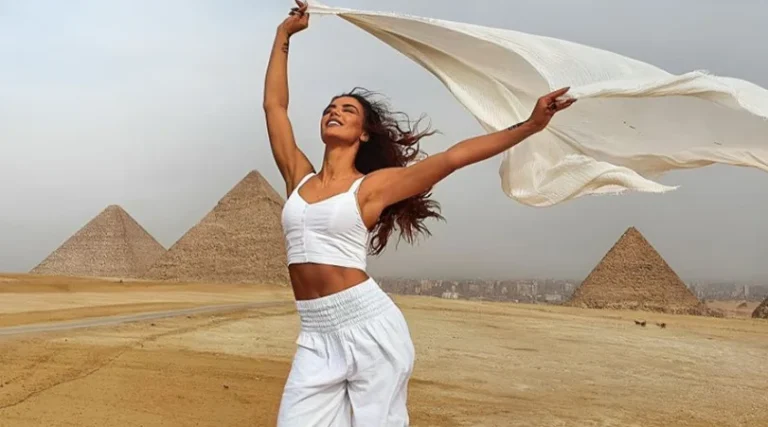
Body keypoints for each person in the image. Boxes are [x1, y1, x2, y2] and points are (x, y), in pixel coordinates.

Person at [263, 1, 576, 425]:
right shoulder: (296, 178)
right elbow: (275, 108)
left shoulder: (370, 188)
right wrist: (284, 36)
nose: (334, 111)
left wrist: (529, 125)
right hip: (315, 334)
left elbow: (452, 159)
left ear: (364, 132)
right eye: (329, 108)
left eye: (347, 110)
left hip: (367, 326)